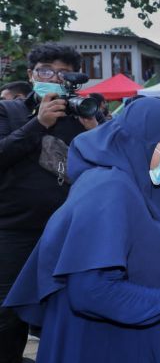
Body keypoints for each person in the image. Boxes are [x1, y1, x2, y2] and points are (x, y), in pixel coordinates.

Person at [2, 98, 160, 362]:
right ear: (142, 141)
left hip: (128, 330)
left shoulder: (140, 178)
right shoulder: (108, 190)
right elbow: (92, 292)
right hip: (103, 342)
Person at [0, 43, 99, 363]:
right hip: (14, 233)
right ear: (31, 75)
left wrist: (97, 133)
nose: (54, 78)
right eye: (46, 71)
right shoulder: (9, 112)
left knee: (64, 313)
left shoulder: (81, 115)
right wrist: (38, 124)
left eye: (64, 73)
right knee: (8, 318)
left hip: (65, 234)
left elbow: (108, 171)